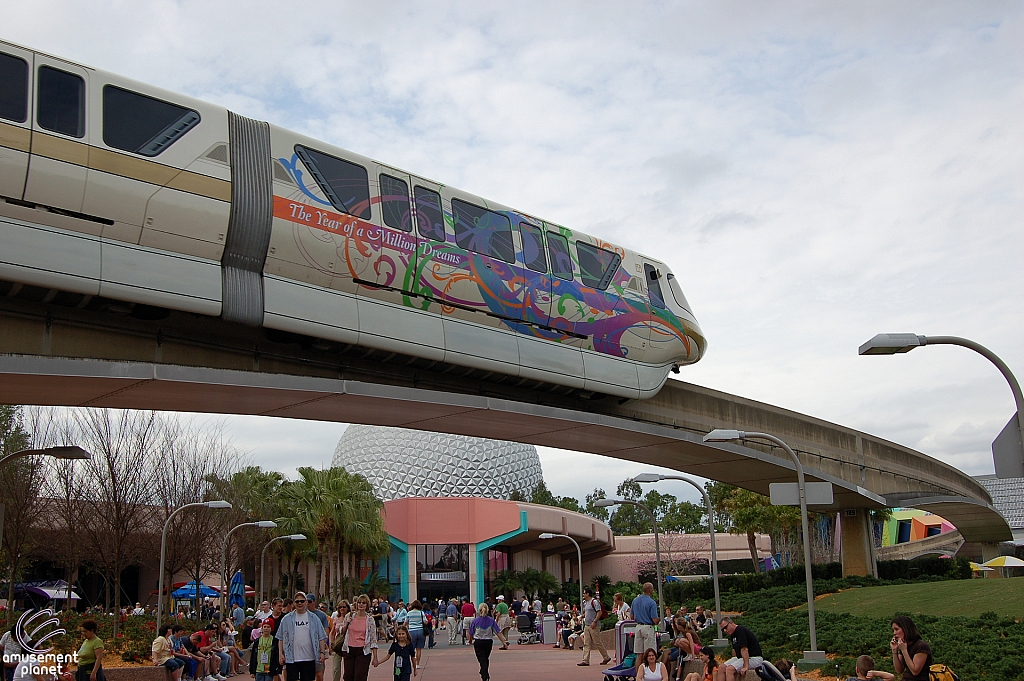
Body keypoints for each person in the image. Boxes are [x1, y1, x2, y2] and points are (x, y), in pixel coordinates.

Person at [276, 591, 328, 681]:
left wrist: (322, 653)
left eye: (302, 601)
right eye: (297, 601)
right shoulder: (286, 619)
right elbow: (281, 637)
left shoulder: (313, 618)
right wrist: (281, 654)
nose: (299, 603)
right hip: (292, 658)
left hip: (309, 657)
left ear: (306, 602)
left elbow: (321, 637)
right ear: (293, 603)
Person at [336, 594, 379, 681]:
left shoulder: (370, 619)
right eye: (359, 602)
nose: (361, 604)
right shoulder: (349, 616)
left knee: (359, 676)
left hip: (363, 651)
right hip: (349, 649)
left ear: (367, 605)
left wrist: (375, 657)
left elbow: (373, 638)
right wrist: (347, 623)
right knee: (348, 676)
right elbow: (342, 631)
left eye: (363, 603)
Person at [467, 603, 508, 681]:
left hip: (478, 642)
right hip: (488, 642)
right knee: (486, 658)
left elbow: (471, 632)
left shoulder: (475, 621)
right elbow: (497, 632)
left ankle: (484, 674)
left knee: (481, 659)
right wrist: (504, 642)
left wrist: (470, 640)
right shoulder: (491, 620)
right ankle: (484, 672)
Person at [890, 616, 932, 681]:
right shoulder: (904, 645)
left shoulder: (921, 646)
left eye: (897, 629)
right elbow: (899, 670)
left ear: (905, 629)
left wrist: (904, 650)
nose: (894, 633)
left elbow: (915, 671)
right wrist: (894, 651)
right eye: (893, 630)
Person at [577, 587, 610, 667]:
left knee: (597, 642)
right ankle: (585, 660)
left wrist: (595, 621)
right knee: (586, 643)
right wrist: (582, 617)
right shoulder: (586, 602)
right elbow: (587, 612)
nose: (583, 595)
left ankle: (606, 657)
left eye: (584, 593)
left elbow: (599, 612)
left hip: (594, 625)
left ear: (588, 594)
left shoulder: (594, 602)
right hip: (587, 625)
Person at [631, 583, 661, 670]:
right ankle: (649, 674)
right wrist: (659, 619)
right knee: (649, 653)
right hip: (648, 627)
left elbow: (632, 616)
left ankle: (638, 676)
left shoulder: (635, 600)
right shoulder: (652, 602)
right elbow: (654, 620)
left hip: (638, 627)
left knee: (639, 654)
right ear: (651, 590)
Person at [305, 595, 330, 681]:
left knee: (319, 673)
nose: (308, 604)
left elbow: (326, 630)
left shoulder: (321, 615)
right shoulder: (302, 614)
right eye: (306, 601)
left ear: (314, 602)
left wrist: (323, 643)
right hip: (306, 648)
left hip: (318, 647)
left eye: (310, 601)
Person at [328, 601, 350, 681]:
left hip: (348, 645)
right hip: (338, 645)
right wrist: (331, 643)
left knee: (348, 669)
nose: (342, 609)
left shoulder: (350, 618)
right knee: (336, 668)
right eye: (340, 607)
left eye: (344, 607)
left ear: (347, 608)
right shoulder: (336, 618)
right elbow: (332, 632)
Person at [403, 601, 427, 667]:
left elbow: (405, 623)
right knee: (419, 649)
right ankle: (417, 664)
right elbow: (425, 622)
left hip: (412, 631)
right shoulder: (421, 613)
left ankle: (412, 661)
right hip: (420, 630)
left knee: (411, 648)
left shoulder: (409, 613)